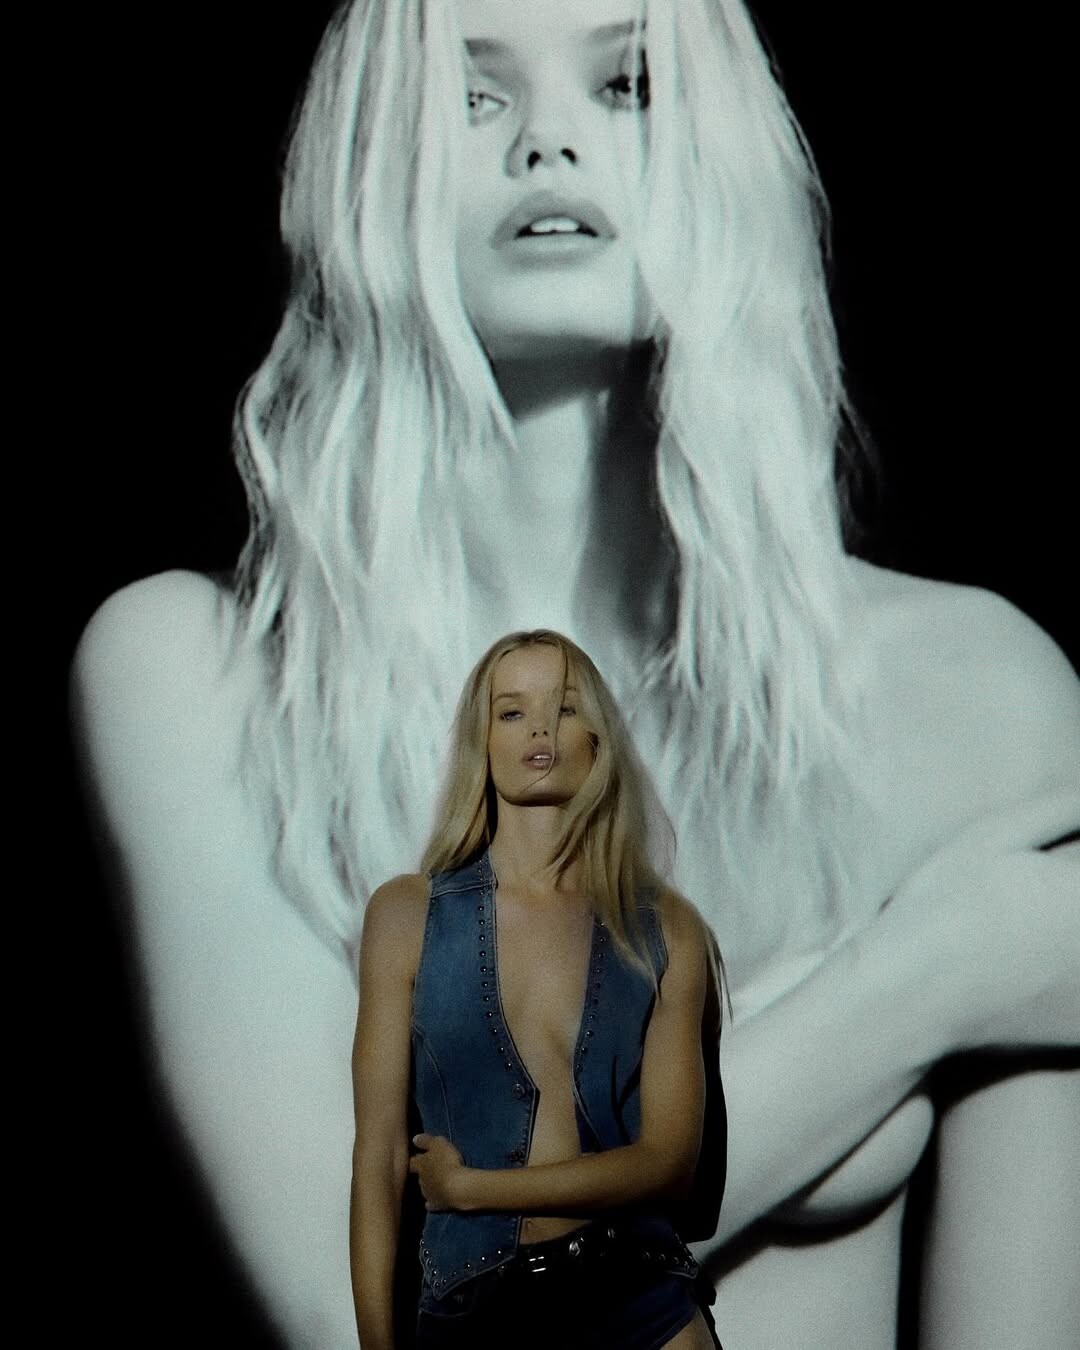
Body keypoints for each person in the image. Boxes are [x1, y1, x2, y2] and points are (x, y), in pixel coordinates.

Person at [70, 1, 1080, 1347]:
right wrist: (932, 976)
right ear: (366, 159)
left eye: (629, 83)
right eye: (473, 96)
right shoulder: (203, 680)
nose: (548, 143)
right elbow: (360, 1309)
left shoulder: (977, 694)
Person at [352, 629, 723, 1349]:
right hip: (475, 1305)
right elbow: (378, 1158)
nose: (540, 730)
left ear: (597, 738)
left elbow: (669, 1164)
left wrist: (473, 1189)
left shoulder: (666, 928)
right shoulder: (405, 915)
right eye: (512, 711)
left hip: (640, 1293)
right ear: (482, 740)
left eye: (565, 707)